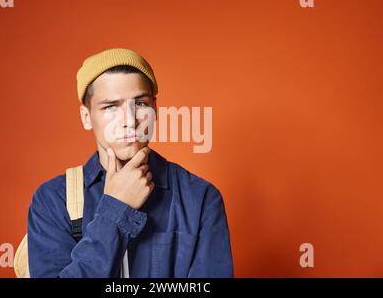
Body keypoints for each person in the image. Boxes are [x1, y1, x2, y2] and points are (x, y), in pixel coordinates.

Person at [27, 48, 233, 277]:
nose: (129, 120)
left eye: (141, 104)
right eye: (110, 107)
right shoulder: (53, 200)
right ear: (87, 117)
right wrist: (116, 208)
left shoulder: (200, 197)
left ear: (155, 109)